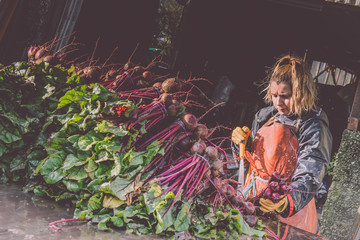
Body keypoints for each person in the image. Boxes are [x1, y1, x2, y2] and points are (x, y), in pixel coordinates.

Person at [231, 54, 333, 234]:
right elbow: (248, 163)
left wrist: (286, 200)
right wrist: (240, 144)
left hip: (289, 212)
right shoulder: (265, 116)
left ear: (302, 92)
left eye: (285, 96)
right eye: (274, 95)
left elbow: (311, 171)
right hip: (252, 200)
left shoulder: (313, 124)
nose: (278, 102)